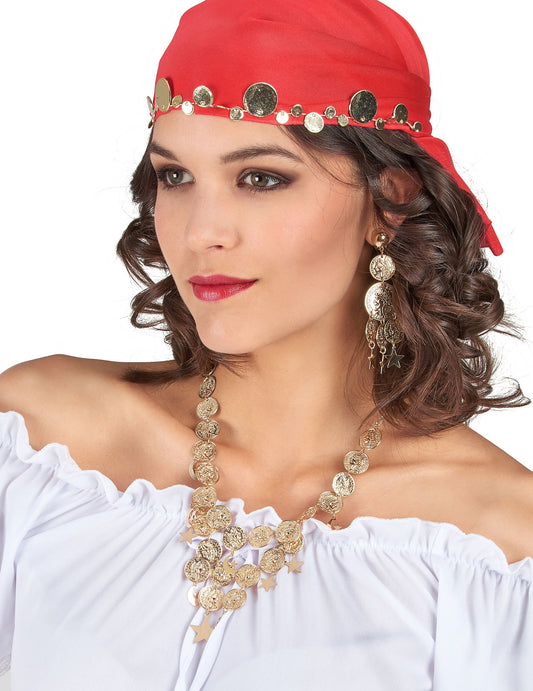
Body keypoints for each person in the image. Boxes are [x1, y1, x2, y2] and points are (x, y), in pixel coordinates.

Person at [0, 0, 532, 689]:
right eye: (175, 176)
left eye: (260, 178)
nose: (202, 232)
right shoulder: (37, 444)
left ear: (389, 201)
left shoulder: (497, 548)